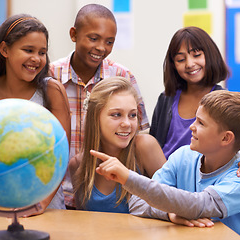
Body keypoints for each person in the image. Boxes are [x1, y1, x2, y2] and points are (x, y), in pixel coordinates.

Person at [93, 90, 240, 240]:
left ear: (226, 138)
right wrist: (170, 214)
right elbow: (137, 203)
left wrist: (127, 177)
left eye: (201, 123)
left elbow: (198, 206)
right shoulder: (183, 156)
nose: (191, 127)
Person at [0, 14, 71, 214]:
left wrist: (39, 205)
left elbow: (61, 155)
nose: (36, 59)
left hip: (43, 212)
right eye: (28, 50)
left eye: (42, 52)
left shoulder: (52, 91)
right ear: (4, 50)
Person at [50, 4, 149, 208]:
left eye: (109, 41)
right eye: (93, 38)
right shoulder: (51, 76)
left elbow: (136, 135)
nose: (101, 47)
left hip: (106, 199)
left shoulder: (123, 76)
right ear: (73, 34)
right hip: (56, 195)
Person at [150, 26, 240, 181]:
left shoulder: (221, 98)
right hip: (164, 172)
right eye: (181, 59)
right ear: (173, 65)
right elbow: (154, 142)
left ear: (209, 55)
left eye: (196, 55)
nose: (189, 64)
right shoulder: (166, 98)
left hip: (200, 175)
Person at [69, 77, 165, 213]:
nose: (127, 123)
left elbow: (174, 202)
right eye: (116, 115)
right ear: (95, 117)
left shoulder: (144, 146)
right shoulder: (78, 165)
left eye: (132, 115)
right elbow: (84, 221)